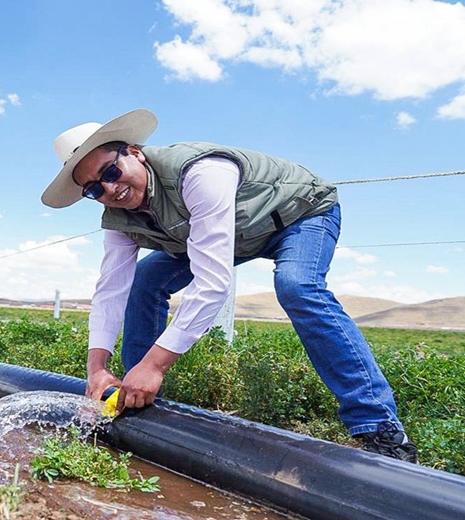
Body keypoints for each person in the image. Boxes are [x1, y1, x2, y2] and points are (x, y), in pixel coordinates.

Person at [41, 108, 417, 463]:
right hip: (229, 234)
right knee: (144, 282)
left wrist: (156, 364)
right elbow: (111, 291)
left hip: (299, 214)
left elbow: (212, 283)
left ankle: (380, 427)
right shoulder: (119, 218)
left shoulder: (200, 172)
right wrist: (96, 368)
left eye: (110, 171)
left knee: (297, 286)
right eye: (93, 189)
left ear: (135, 153)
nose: (110, 189)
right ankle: (135, 404)